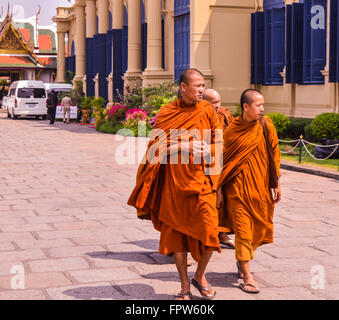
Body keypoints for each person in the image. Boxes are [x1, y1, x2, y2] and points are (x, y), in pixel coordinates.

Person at [128, 69, 222, 300]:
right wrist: (184, 147)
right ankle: (184, 286)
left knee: (211, 234)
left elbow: (219, 143)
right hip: (175, 185)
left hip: (202, 184)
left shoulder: (208, 111)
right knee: (177, 239)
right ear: (183, 87)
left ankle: (199, 276)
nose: (201, 90)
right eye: (197, 85)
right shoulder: (167, 113)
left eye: (203, 85)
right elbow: (154, 151)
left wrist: (211, 151)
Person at [217, 89, 281, 294]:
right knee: (243, 233)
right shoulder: (231, 131)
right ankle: (247, 276)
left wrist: (276, 183)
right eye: (258, 105)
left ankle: (241, 259)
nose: (262, 109)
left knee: (259, 230)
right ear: (246, 107)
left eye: (263, 105)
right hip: (236, 191)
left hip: (260, 189)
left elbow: (274, 154)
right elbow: (221, 163)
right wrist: (218, 190)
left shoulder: (266, 126)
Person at [203, 89, 235, 249]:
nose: (216, 106)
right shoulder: (199, 116)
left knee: (224, 201)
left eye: (218, 102)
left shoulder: (224, 116)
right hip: (205, 163)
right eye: (212, 102)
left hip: (223, 162)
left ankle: (222, 233)